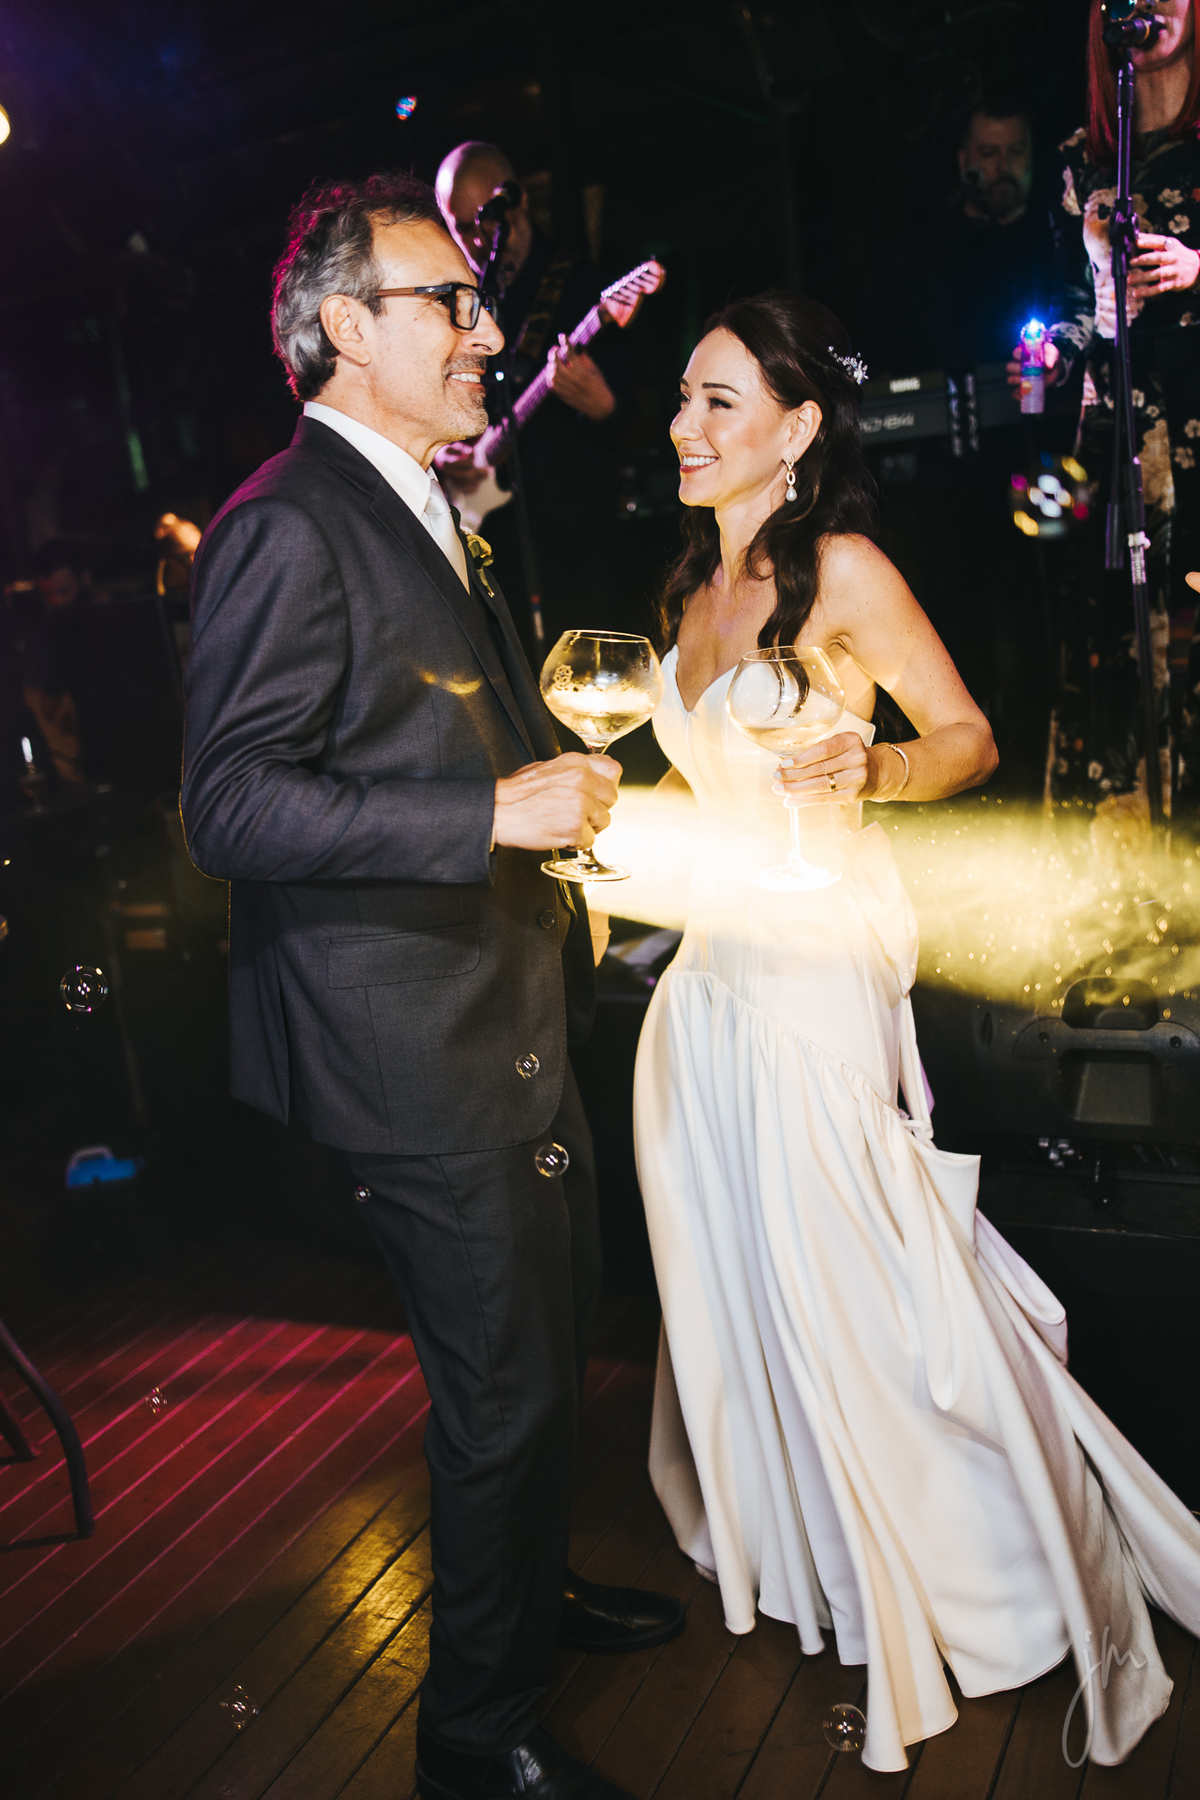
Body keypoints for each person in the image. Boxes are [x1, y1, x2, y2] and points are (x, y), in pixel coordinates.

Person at [630, 290, 1200, 1773]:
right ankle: (820, 1552)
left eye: (718, 401)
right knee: (752, 1274)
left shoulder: (844, 570)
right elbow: (704, 780)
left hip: (814, 968)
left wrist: (872, 770)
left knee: (864, 1279)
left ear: (799, 428)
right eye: (682, 398)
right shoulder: (693, 580)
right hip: (708, 984)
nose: (684, 426)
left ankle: (986, 1574)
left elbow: (966, 737)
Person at [179, 170, 682, 1800]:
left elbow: (430, 727)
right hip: (412, 1039)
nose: (483, 331)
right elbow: (228, 807)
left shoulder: (417, 498)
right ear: (345, 326)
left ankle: (527, 1597)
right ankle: (477, 1739)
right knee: (504, 1391)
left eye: (477, 301)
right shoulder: (285, 523)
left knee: (547, 1334)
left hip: (501, 1006)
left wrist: (546, 806)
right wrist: (487, 815)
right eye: (447, 303)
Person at [1007, 0, 1200, 823]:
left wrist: (1196, 268)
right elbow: (1069, 312)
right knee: (1118, 640)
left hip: (1193, 418)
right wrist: (1052, 351)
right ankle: (1132, 860)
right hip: (1119, 428)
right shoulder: (1079, 162)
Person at [433, 141, 632, 663]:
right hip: (492, 536)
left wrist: (604, 405)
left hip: (575, 529)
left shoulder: (581, 284)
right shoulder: (459, 307)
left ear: (516, 202)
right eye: (460, 227)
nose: (474, 240)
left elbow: (641, 412)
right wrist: (444, 449)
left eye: (483, 221)